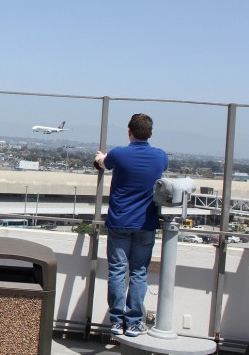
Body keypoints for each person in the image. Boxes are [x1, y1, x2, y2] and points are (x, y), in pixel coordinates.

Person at [94, 113, 168, 337]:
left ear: (129, 131)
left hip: (119, 221)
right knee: (139, 272)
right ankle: (134, 322)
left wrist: (100, 157)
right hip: (146, 223)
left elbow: (103, 164)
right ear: (150, 133)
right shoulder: (160, 157)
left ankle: (116, 321)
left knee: (117, 271)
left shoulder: (119, 154)